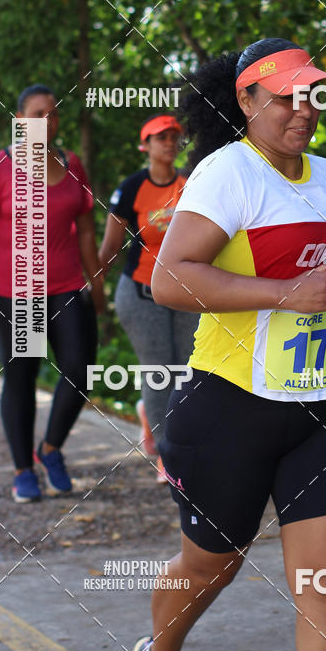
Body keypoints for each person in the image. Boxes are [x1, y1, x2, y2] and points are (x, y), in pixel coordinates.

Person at [130, 39, 326, 651]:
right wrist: (285, 294)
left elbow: (322, 262)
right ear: (246, 100)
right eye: (285, 98)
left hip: (323, 408)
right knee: (210, 567)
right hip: (231, 408)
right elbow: (169, 279)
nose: (304, 110)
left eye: (312, 96)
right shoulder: (228, 173)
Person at [0, 84, 104, 502]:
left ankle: (50, 449)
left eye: (53, 114)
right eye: (37, 114)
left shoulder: (72, 165)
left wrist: (97, 283)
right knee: (23, 375)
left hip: (66, 286)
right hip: (15, 293)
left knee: (80, 369)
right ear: (19, 121)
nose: (46, 122)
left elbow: (86, 232)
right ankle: (23, 470)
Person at [98, 114, 199, 482]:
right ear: (146, 145)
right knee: (159, 371)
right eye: (160, 138)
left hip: (186, 292)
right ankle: (166, 453)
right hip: (141, 293)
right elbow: (110, 246)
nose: (169, 143)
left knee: (188, 370)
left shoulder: (191, 184)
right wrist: (91, 288)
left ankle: (183, 440)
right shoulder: (132, 188)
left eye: (174, 137)